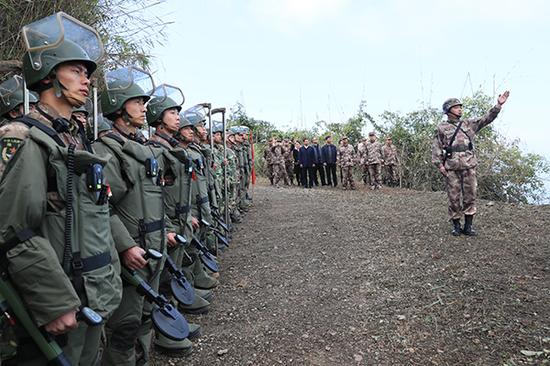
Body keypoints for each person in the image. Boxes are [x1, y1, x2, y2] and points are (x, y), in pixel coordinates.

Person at [0, 12, 122, 365]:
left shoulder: (72, 136)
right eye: (77, 71)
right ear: (49, 75)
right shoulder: (22, 137)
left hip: (86, 289)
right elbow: (14, 229)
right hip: (57, 299)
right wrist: (55, 302)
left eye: (87, 73)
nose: (86, 81)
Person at [432, 91, 510, 236]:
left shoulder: (468, 124)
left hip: (469, 166)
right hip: (451, 168)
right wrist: (440, 165)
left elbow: (487, 118)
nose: (460, 109)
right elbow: (436, 147)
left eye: (460, 107)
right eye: (456, 107)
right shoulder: (441, 128)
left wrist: (498, 105)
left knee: (470, 195)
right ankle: (456, 225)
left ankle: (468, 226)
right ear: (448, 110)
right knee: (453, 197)